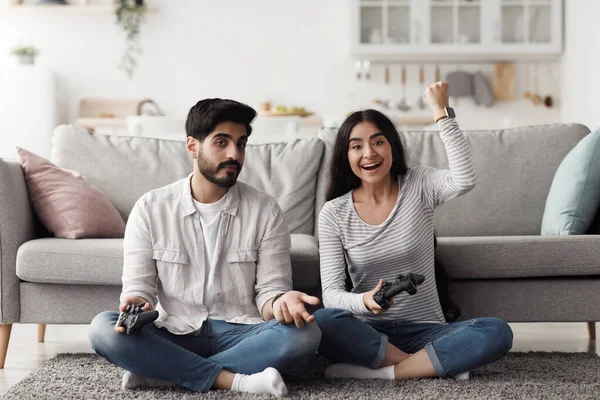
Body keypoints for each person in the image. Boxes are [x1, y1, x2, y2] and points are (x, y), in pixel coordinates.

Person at [88, 98, 322, 397]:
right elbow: (139, 288)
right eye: (221, 142)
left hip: (241, 331)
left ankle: (162, 372)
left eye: (241, 143)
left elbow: (269, 294)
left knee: (305, 335)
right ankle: (236, 381)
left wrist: (280, 302)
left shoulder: (266, 210)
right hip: (175, 330)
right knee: (102, 328)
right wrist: (137, 304)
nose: (234, 154)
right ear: (192, 146)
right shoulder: (150, 208)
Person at [312, 82, 513, 381]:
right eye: (356, 146)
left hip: (427, 330)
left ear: (392, 145)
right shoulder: (333, 213)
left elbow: (464, 179)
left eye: (378, 142)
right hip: (368, 331)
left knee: (496, 331)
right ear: (346, 155)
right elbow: (331, 294)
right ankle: (429, 365)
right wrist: (365, 301)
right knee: (322, 321)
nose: (369, 153)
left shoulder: (419, 184)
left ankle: (386, 373)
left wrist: (441, 112)